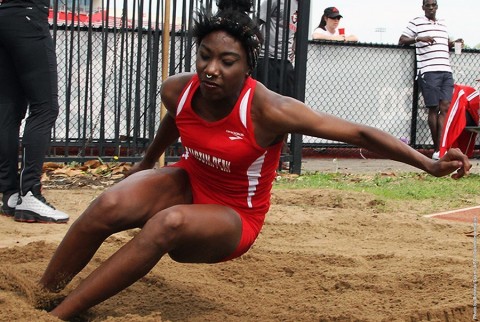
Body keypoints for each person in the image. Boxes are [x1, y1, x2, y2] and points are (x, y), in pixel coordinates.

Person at [39, 0, 471, 320]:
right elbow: (176, 118)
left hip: (234, 213)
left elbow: (359, 133)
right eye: (205, 56)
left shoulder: (269, 110)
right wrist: (148, 161)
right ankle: (44, 293)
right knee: (110, 203)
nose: (211, 69)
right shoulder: (178, 88)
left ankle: (60, 315)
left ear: (247, 67)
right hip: (190, 178)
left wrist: (430, 163)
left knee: (165, 224)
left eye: (226, 62)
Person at [0, 0, 69, 223]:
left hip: (4, 16)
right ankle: (30, 193)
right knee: (45, 107)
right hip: (27, 15)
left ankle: (10, 194)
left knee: (8, 109)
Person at [398, 0, 463, 160]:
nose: (431, 8)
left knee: (445, 107)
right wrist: (419, 38)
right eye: (428, 5)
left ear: (437, 7)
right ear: (423, 7)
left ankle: (442, 148)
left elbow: (443, 44)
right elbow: (402, 39)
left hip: (446, 70)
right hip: (428, 70)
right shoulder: (417, 22)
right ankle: (437, 150)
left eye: (434, 5)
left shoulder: (443, 23)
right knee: (433, 108)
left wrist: (454, 43)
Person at [254, 0, 297, 97]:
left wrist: (293, 50)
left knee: (289, 98)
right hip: (267, 57)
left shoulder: (302, 7)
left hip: (285, 60)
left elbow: (297, 33)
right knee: (265, 98)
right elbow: (256, 22)